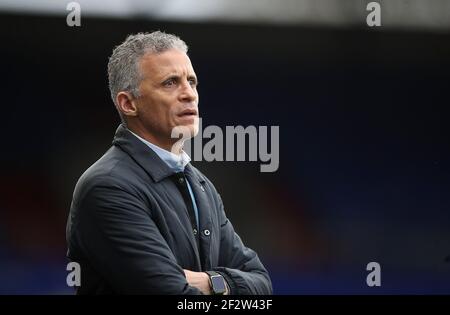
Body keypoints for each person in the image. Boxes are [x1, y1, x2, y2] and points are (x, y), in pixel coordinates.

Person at [66, 31, 272, 295]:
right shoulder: (107, 187)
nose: (189, 94)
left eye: (192, 81)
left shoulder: (201, 185)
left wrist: (210, 282)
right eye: (170, 83)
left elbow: (262, 285)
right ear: (128, 103)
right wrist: (229, 287)